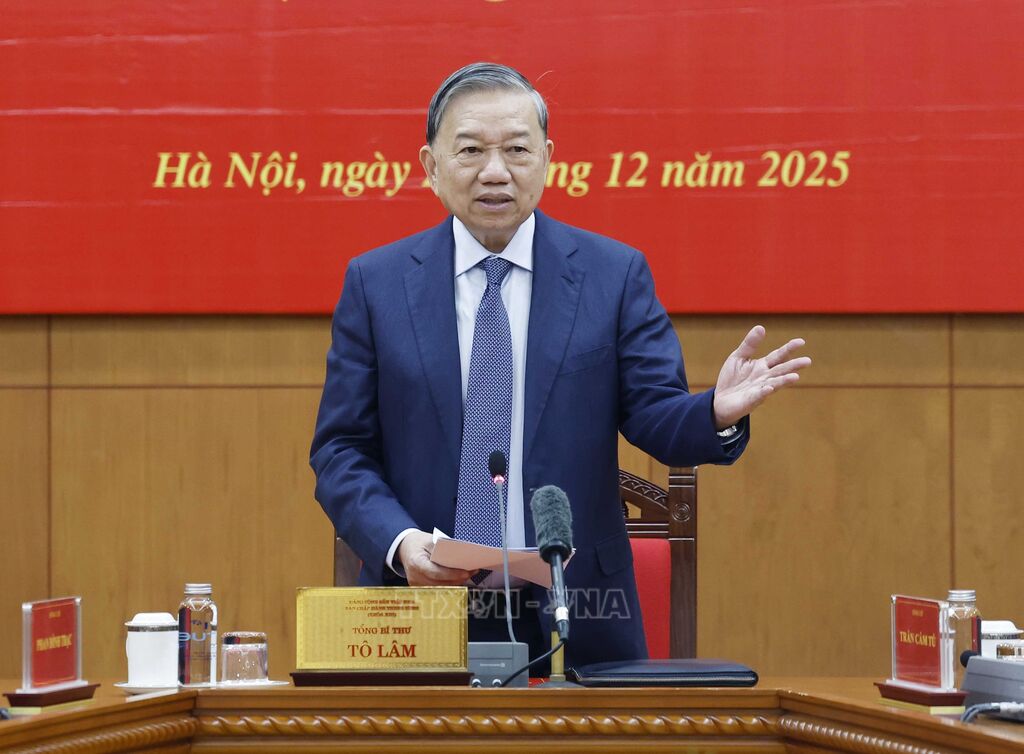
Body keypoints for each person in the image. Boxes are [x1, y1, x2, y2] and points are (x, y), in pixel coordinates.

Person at [310, 62, 810, 669]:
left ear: (547, 159)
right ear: (431, 166)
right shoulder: (377, 284)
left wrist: (714, 413)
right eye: (470, 150)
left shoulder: (612, 275)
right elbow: (340, 449)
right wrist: (399, 542)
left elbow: (655, 416)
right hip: (421, 605)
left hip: (578, 606)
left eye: (517, 149)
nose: (496, 171)